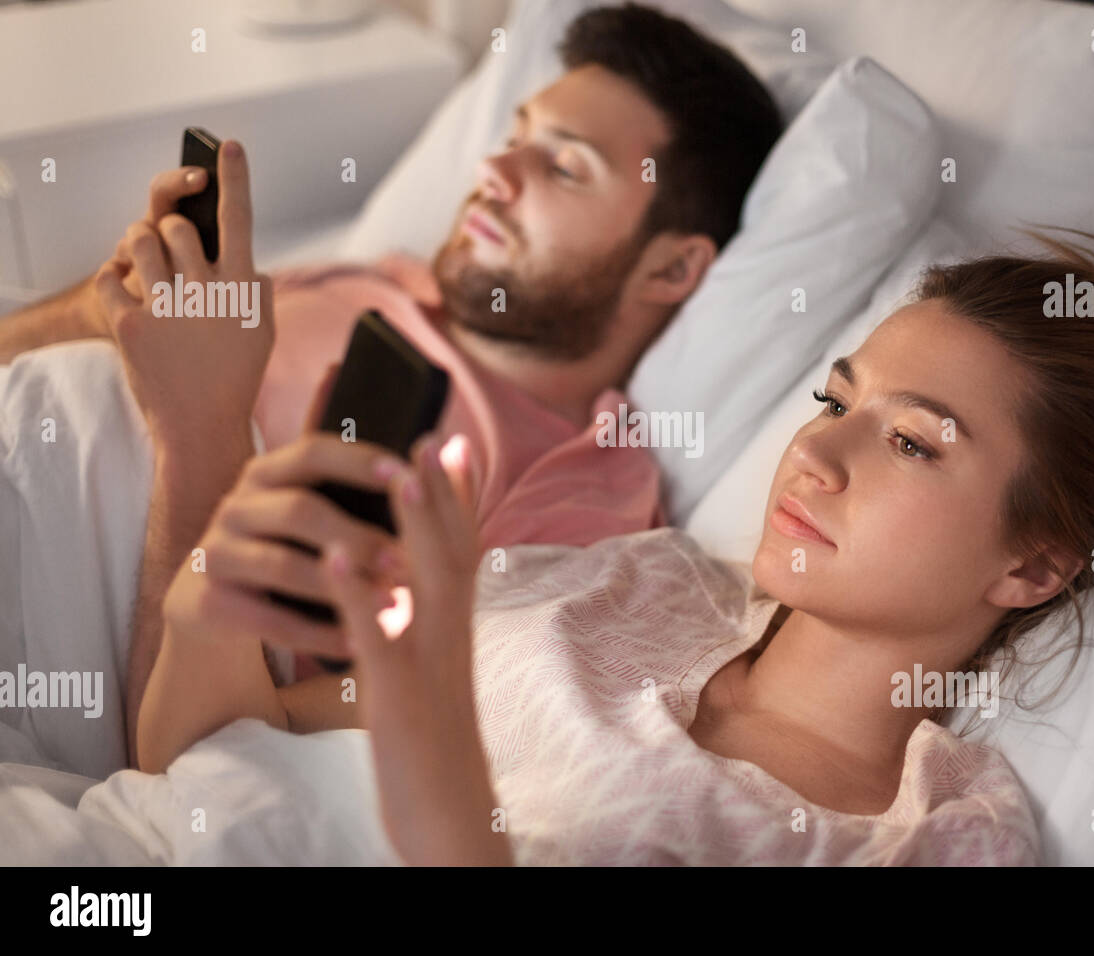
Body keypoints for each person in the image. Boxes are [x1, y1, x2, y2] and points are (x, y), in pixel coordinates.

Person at [141, 231, 1094, 864]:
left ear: (1033, 565)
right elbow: (209, 764)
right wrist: (211, 590)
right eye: (831, 398)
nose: (815, 452)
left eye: (909, 441)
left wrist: (425, 713)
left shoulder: (930, 837)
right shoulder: (629, 577)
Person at [0, 4, 783, 769]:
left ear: (673, 267)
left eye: (563, 166)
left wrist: (203, 427)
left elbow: (215, 760)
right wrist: (106, 309)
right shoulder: (371, 276)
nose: (494, 170)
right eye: (514, 138)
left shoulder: (587, 490)